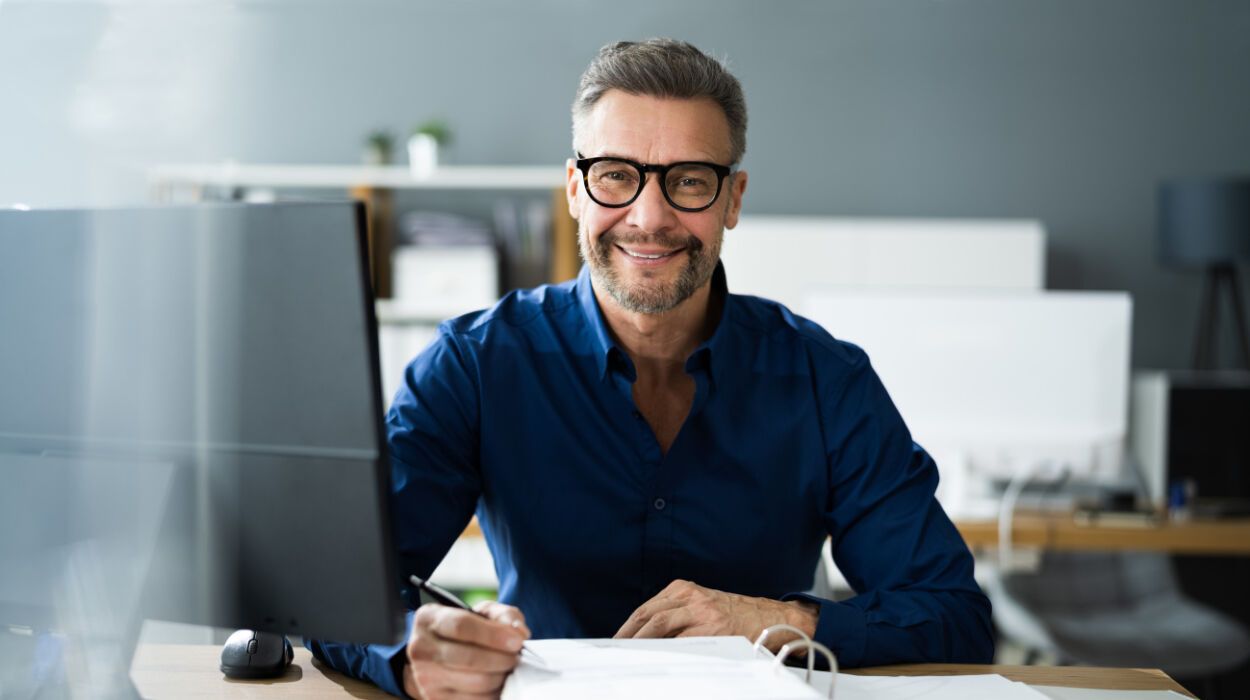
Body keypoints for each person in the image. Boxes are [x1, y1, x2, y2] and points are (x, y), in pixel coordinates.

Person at [309, 38, 993, 699]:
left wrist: (780, 621)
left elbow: (953, 617)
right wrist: (412, 655)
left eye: (689, 181)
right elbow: (336, 592)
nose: (649, 216)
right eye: (616, 176)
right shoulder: (475, 363)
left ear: (733, 199)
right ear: (576, 188)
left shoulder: (825, 379)